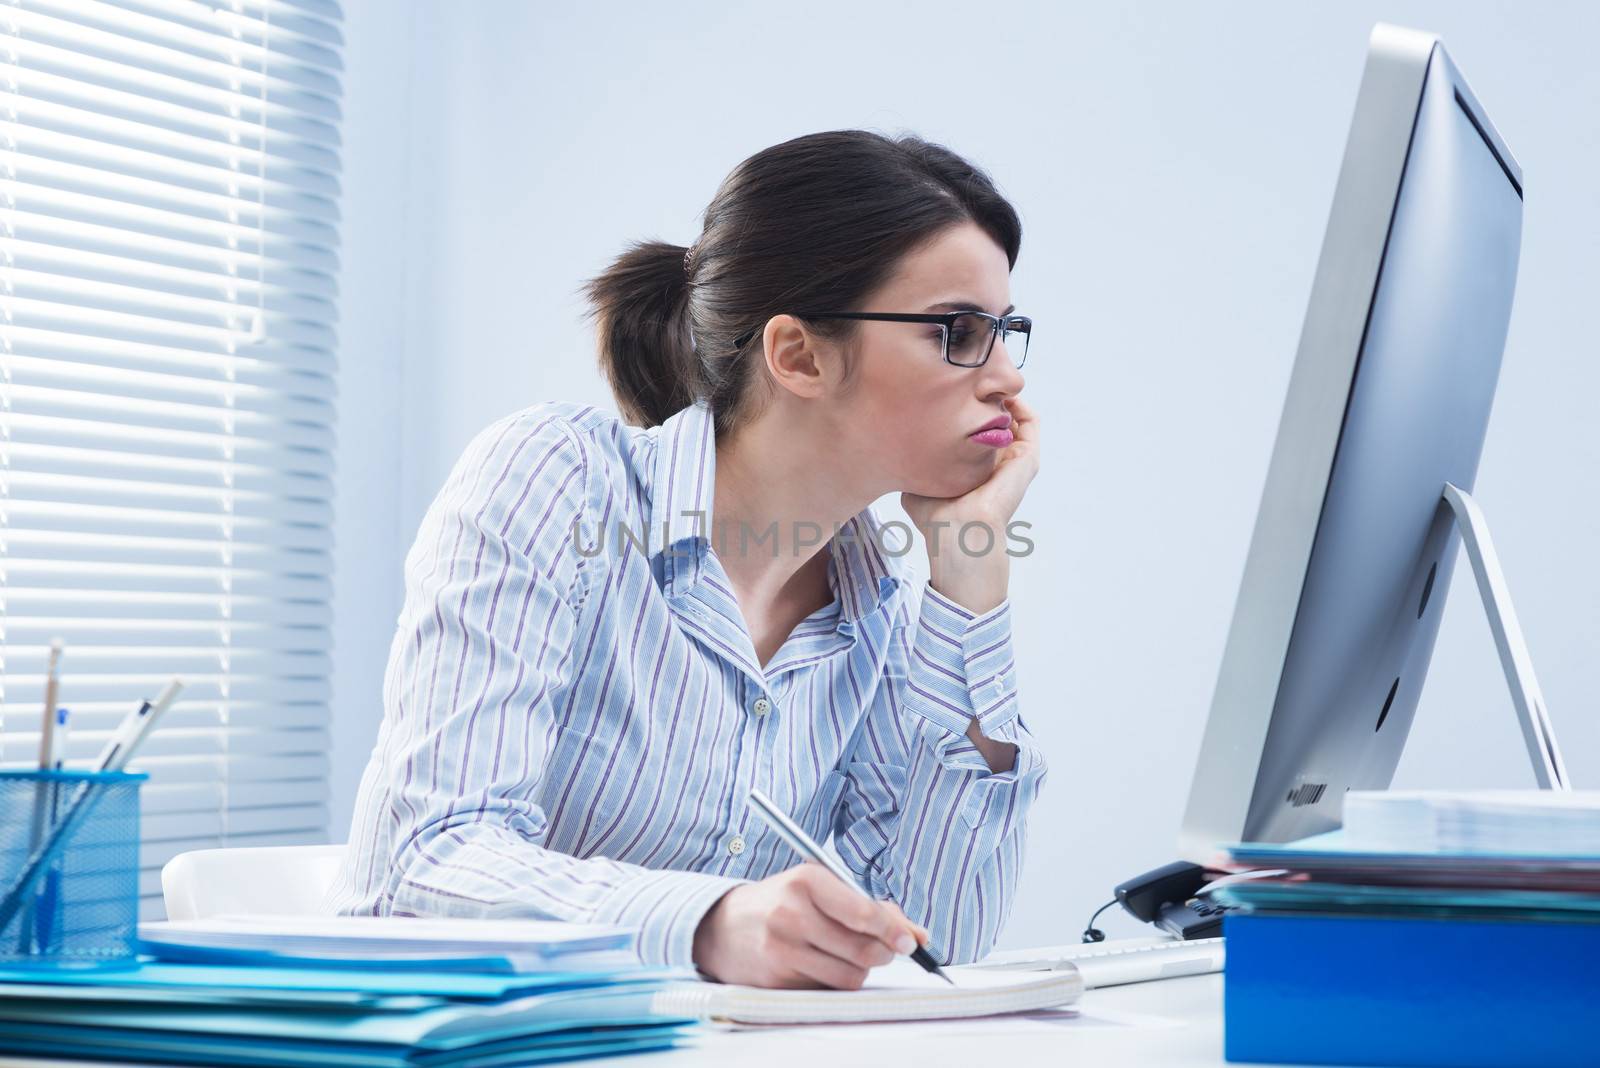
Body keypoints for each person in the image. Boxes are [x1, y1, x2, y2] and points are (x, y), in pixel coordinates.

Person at [327, 129, 1046, 990]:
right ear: (800, 355)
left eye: (1007, 331)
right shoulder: (558, 479)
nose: (1008, 376)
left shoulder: (881, 610)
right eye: (958, 331)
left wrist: (969, 578)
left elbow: (939, 937)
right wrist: (706, 924)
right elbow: (423, 865)